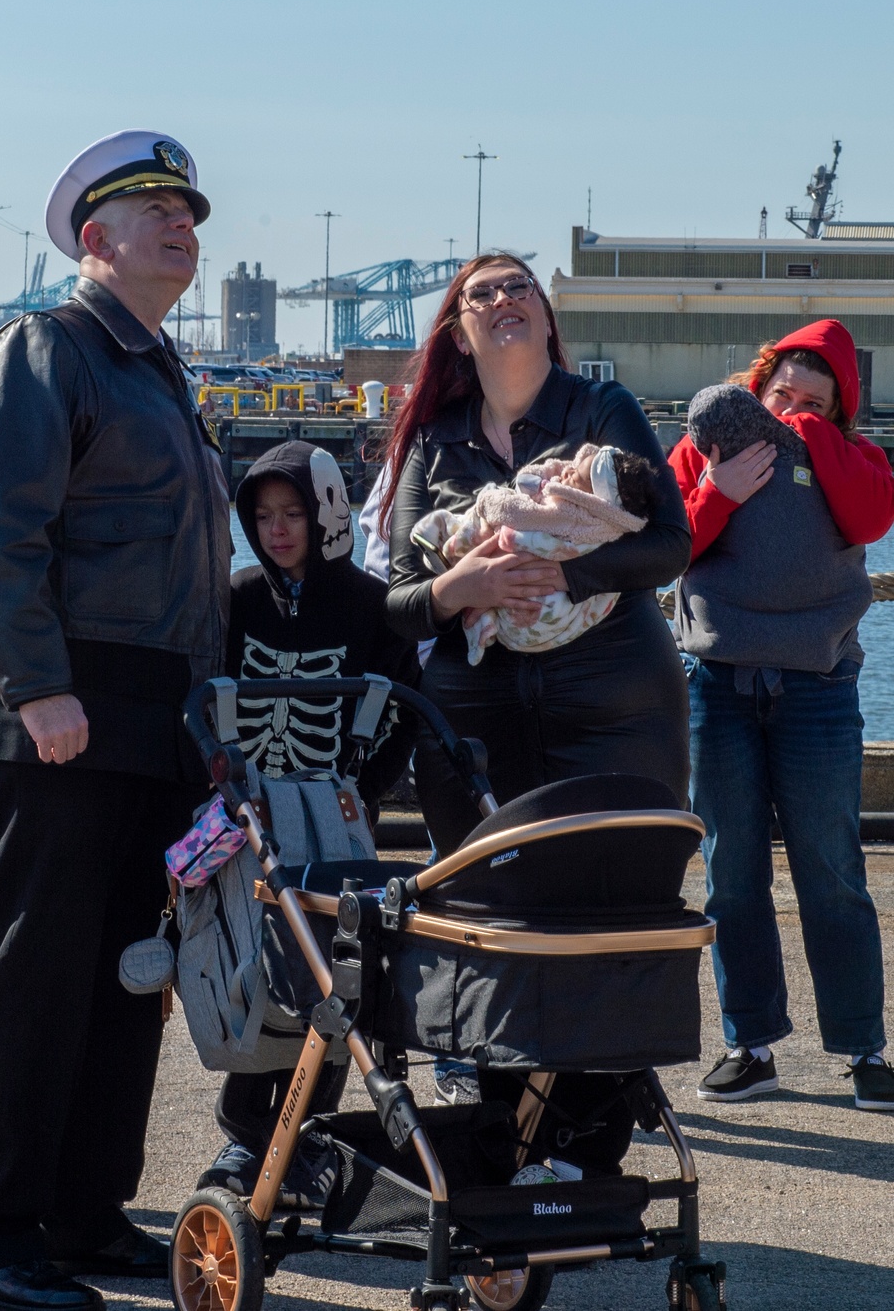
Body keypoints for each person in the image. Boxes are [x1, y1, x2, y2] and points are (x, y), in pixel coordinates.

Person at [0, 130, 233, 1311]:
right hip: (64, 708)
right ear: (93, 238)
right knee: (34, 983)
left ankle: (81, 1213)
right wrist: (35, 684)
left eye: (190, 213)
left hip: (154, 717)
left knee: (123, 980)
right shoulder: (48, 350)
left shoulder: (157, 367)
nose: (184, 227)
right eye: (158, 209)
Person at [383, 252, 692, 860]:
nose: (504, 300)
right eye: (483, 295)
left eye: (518, 287)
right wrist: (463, 587)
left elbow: (670, 544)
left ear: (547, 321)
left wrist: (566, 572)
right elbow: (399, 600)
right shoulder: (432, 441)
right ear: (460, 338)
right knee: (490, 916)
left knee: (621, 912)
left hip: (617, 712)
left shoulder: (605, 408)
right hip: (475, 729)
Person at [670, 318, 894, 1110]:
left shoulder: (855, 455)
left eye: (813, 402)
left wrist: (812, 439)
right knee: (731, 873)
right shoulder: (711, 442)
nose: (792, 410)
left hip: (819, 686)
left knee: (832, 871)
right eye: (781, 396)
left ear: (840, 413)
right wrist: (716, 490)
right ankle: (751, 1044)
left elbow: (869, 521)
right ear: (753, 388)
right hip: (714, 681)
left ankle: (864, 1049)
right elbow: (669, 545)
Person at [199, 440, 419, 1199]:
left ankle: (302, 1133)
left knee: (335, 975)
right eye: (262, 516)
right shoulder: (238, 600)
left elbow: (404, 707)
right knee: (249, 972)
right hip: (251, 821)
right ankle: (245, 1133)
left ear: (326, 513)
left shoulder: (369, 604)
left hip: (335, 820)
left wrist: (368, 786)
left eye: (293, 513)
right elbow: (206, 701)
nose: (278, 530)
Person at [411, 443, 660, 664]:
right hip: (551, 626)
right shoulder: (610, 529)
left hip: (536, 609)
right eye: (574, 466)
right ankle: (481, 615)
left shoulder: (572, 517)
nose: (567, 471)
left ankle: (449, 546)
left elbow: (516, 514)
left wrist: (489, 499)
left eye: (577, 477)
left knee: (481, 524)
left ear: (593, 500)